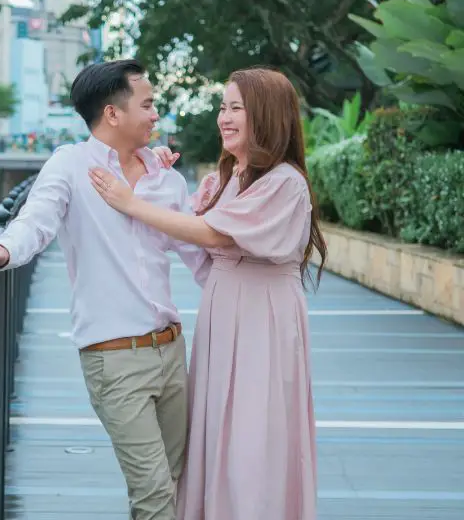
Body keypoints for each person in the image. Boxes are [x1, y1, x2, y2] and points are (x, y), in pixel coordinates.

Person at [0, 59, 225, 520]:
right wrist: (1, 251)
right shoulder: (70, 165)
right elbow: (35, 223)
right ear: (112, 113)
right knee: (152, 493)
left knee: (177, 482)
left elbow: (200, 259)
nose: (155, 115)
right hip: (114, 358)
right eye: (147, 104)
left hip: (171, 352)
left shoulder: (166, 179)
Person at [88, 67, 327, 520]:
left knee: (254, 442)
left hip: (262, 320)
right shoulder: (231, 178)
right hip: (226, 316)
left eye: (237, 108)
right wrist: (152, 171)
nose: (225, 117)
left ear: (268, 117)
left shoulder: (283, 181)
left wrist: (131, 201)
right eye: (223, 106)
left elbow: (213, 235)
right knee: (219, 434)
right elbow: (193, 231)